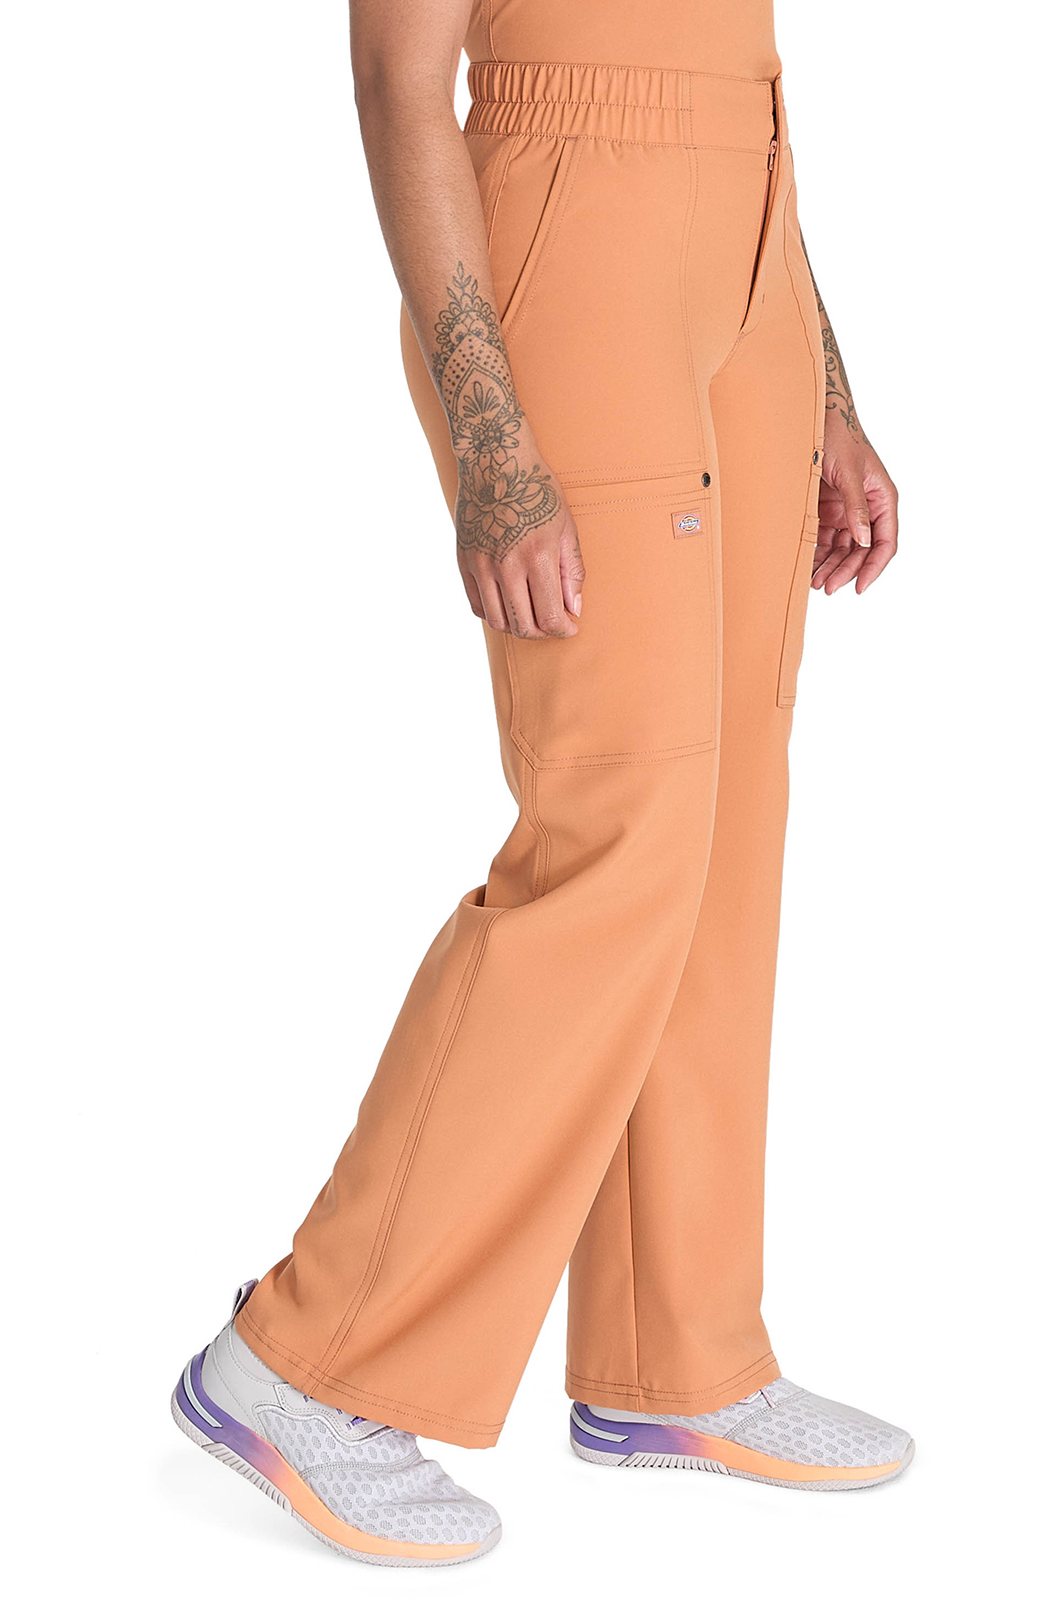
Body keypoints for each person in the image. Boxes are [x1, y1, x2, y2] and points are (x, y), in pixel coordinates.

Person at [172, 0, 909, 1568]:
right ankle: (308, 1358)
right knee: (619, 824)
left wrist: (827, 386)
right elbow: (398, 76)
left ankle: (678, 1355)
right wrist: (491, 442)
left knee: (727, 827)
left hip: (753, 249)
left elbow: (724, 74)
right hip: (573, 247)